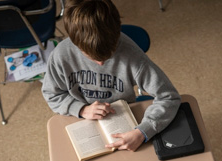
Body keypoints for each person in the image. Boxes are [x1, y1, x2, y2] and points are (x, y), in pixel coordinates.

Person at [41, 0, 181, 152]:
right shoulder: (61, 56)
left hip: (124, 121)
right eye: (91, 57)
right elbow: (51, 94)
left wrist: (143, 132)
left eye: (108, 56)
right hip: (81, 121)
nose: (101, 64)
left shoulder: (133, 57)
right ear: (76, 43)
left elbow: (169, 97)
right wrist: (81, 109)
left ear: (117, 35)